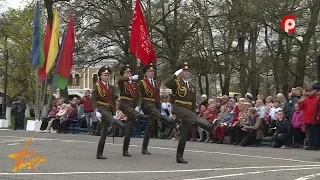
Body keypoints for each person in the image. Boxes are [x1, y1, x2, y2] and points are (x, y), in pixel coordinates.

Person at [164, 62, 218, 163]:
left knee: (184, 134)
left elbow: (193, 102)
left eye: (188, 71)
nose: (187, 72)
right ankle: (209, 127)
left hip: (188, 110)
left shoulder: (192, 85)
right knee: (191, 121)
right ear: (180, 72)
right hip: (179, 107)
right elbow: (166, 83)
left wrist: (194, 113)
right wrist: (175, 74)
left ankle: (179, 156)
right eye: (184, 71)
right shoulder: (176, 82)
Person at [135, 63, 176, 154]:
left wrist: (159, 106)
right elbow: (139, 95)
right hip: (146, 104)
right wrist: (139, 105)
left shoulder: (156, 83)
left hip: (154, 105)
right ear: (145, 73)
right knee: (158, 114)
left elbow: (157, 97)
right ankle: (171, 122)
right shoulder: (142, 82)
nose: (152, 73)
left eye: (153, 71)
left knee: (149, 127)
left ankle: (144, 148)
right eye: (150, 71)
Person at [118, 64, 156, 157]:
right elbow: (120, 80)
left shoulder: (135, 84)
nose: (129, 74)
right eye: (127, 73)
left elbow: (139, 96)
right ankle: (145, 117)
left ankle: (125, 150)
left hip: (133, 107)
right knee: (142, 118)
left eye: (130, 72)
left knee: (129, 128)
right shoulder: (123, 82)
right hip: (124, 104)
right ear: (123, 74)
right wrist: (130, 78)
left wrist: (139, 106)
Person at [92, 66, 125, 159]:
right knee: (111, 119)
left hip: (109, 109)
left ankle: (99, 153)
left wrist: (116, 97)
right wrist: (96, 110)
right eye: (105, 75)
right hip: (101, 109)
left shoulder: (111, 87)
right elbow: (93, 99)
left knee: (104, 133)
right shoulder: (97, 86)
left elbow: (113, 100)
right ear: (101, 76)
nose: (107, 77)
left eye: (108, 75)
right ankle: (123, 126)